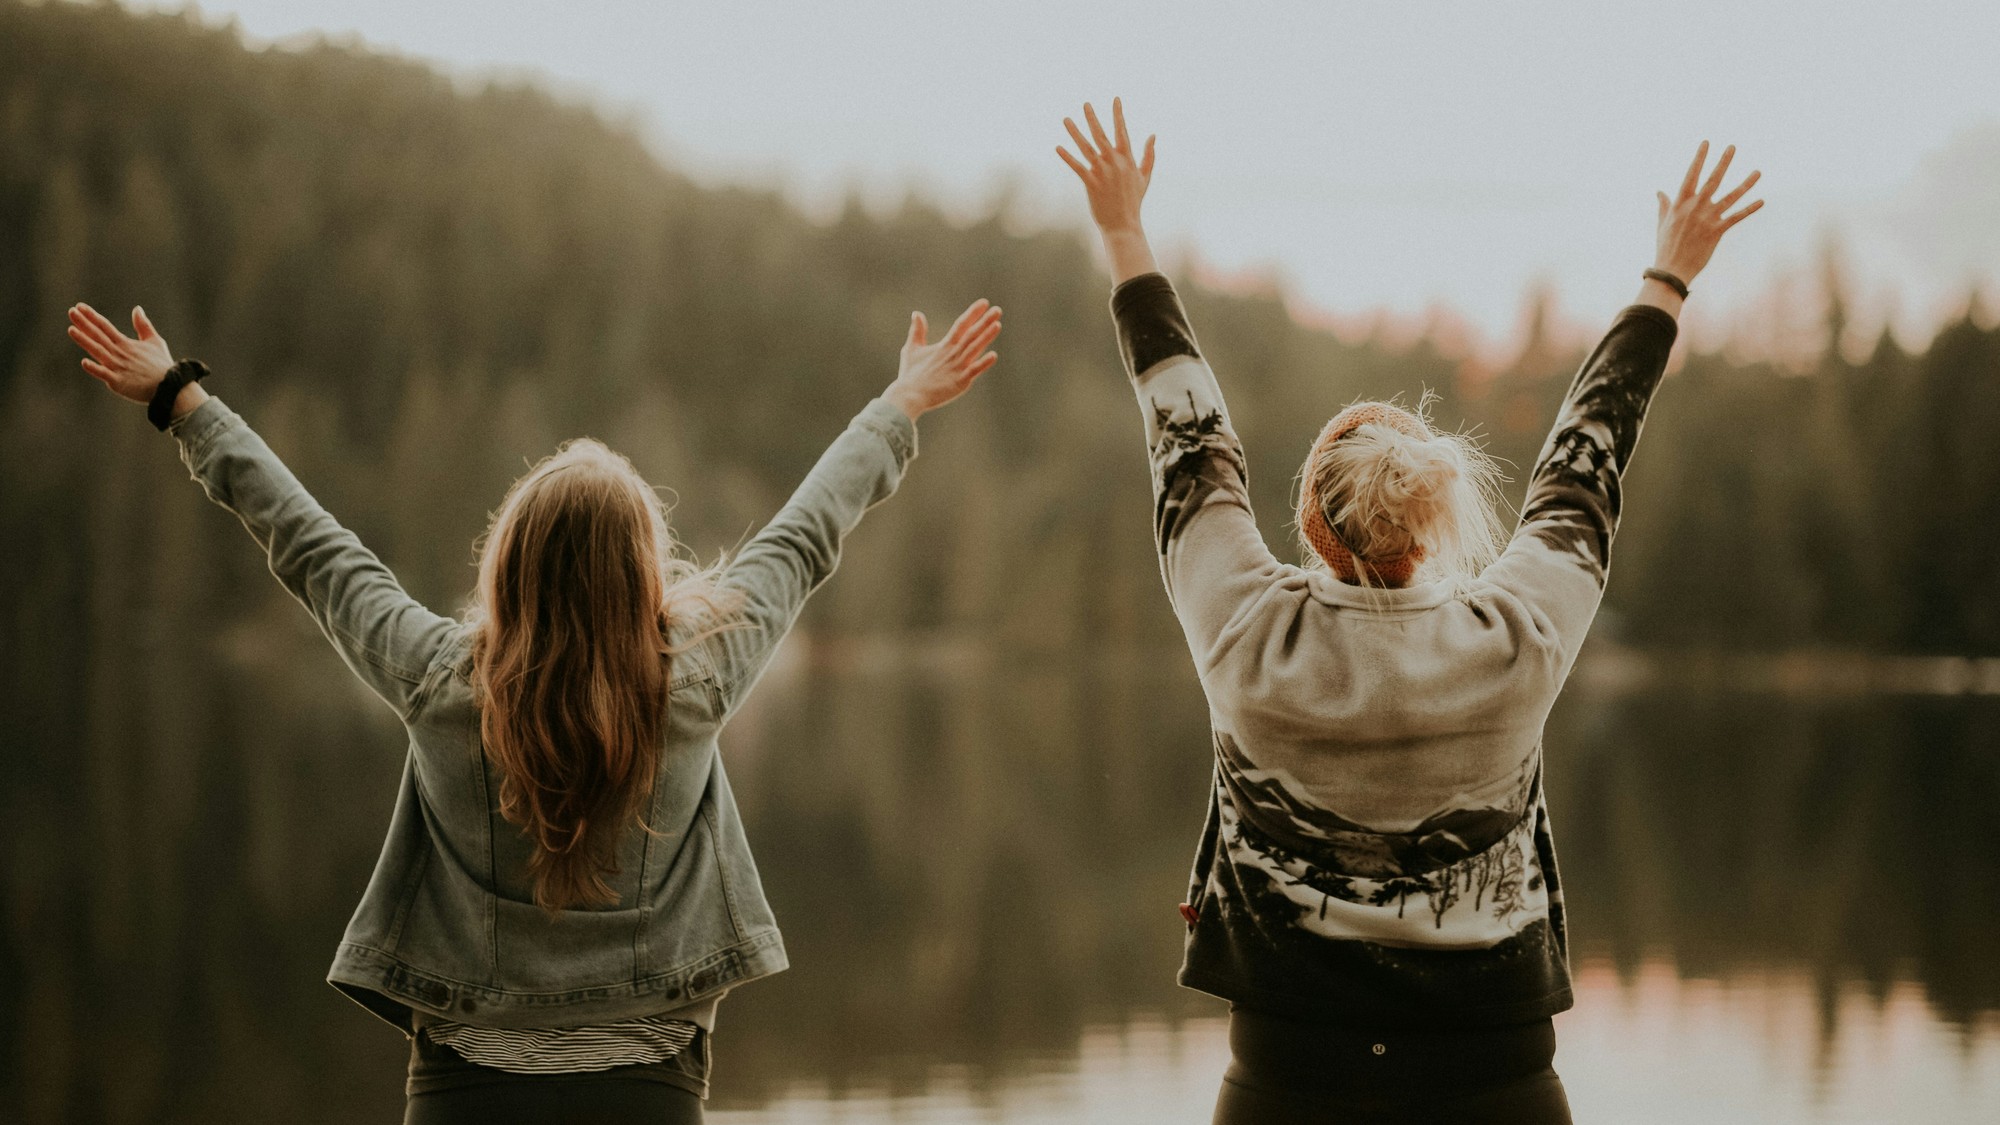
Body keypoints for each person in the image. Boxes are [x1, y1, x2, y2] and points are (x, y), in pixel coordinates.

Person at [63, 296, 1003, 1124]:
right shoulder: (694, 682)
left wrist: (183, 401)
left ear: (507, 565)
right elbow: (802, 536)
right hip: (648, 1094)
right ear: (642, 573)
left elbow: (314, 548)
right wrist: (901, 403)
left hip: (465, 1092)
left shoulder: (439, 680)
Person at [1058, 99, 1761, 1123]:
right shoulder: (1513, 638)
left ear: (1312, 524)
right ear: (1431, 525)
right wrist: (1667, 279)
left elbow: (1187, 439)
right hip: (1495, 1079)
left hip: (1287, 1079)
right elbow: (1585, 461)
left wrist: (1124, 234)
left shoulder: (1246, 631)